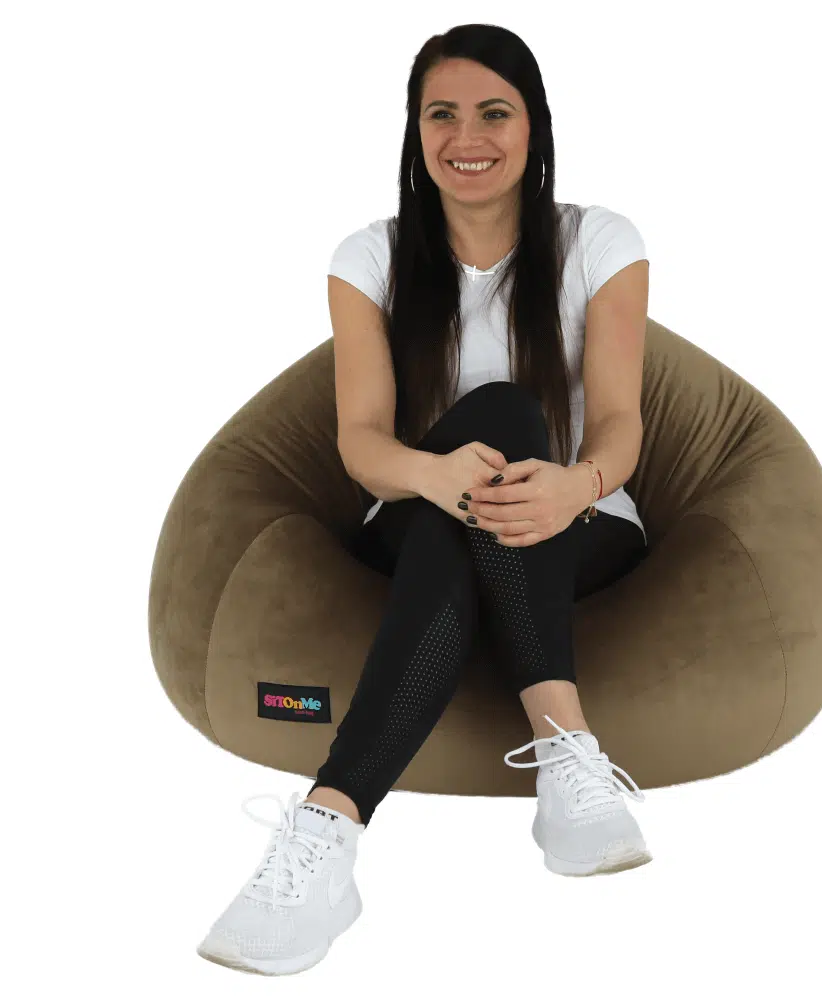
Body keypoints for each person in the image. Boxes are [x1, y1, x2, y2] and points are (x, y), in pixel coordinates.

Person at [197, 24, 652, 977]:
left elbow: (619, 420)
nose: (466, 136)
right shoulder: (368, 257)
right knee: (499, 419)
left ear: (534, 127)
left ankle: (327, 829)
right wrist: (435, 474)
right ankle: (565, 749)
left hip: (578, 523)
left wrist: (574, 484)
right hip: (413, 514)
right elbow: (361, 443)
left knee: (509, 430)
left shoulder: (600, 241)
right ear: (414, 130)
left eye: (494, 113)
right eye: (441, 114)